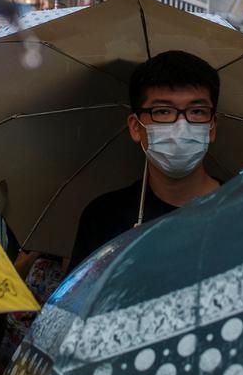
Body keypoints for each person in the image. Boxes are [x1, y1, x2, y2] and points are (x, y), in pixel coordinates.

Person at [68, 50, 221, 270]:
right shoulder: (103, 218)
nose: (181, 125)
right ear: (135, 127)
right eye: (162, 111)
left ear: (212, 127)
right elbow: (80, 300)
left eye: (197, 111)